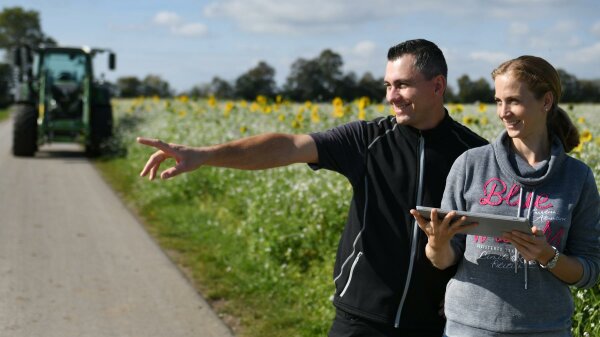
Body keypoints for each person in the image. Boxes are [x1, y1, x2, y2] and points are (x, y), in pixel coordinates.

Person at [137, 39, 488, 337]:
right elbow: (288, 146)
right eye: (387, 85)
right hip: (359, 317)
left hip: (433, 323)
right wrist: (204, 155)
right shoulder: (367, 140)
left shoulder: (476, 154)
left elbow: (486, 237)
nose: (391, 96)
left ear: (437, 86)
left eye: (402, 85)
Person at [411, 55, 600, 337]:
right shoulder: (470, 164)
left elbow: (590, 269)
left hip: (544, 330)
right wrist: (437, 244)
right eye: (499, 101)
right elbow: (443, 259)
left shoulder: (577, 177)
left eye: (513, 101)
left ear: (546, 102)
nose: (503, 112)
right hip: (469, 328)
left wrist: (547, 256)